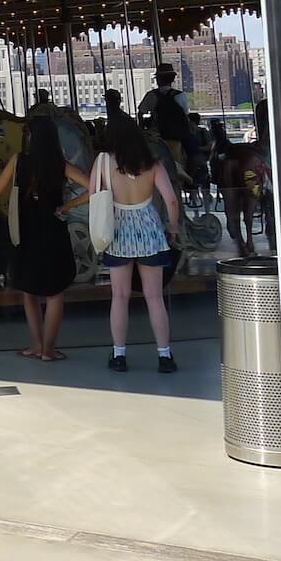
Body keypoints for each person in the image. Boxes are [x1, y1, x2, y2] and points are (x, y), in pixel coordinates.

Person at [0, 114, 89, 362]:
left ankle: (35, 344)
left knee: (28, 290)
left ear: (31, 137)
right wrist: (68, 206)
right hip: (53, 231)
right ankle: (48, 350)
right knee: (55, 293)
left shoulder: (18, 161)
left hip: (25, 231)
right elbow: (94, 187)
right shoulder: (61, 164)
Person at [94, 108, 183, 373]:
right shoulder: (153, 164)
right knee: (154, 297)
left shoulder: (104, 162)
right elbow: (171, 200)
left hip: (118, 230)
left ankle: (119, 354)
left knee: (120, 296)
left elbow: (93, 194)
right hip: (149, 229)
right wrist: (173, 226)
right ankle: (164, 355)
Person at [138, 64, 192, 152]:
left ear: (158, 79)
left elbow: (140, 113)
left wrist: (142, 130)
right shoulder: (180, 95)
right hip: (176, 136)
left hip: (156, 136)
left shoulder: (151, 95)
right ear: (172, 79)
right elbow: (185, 114)